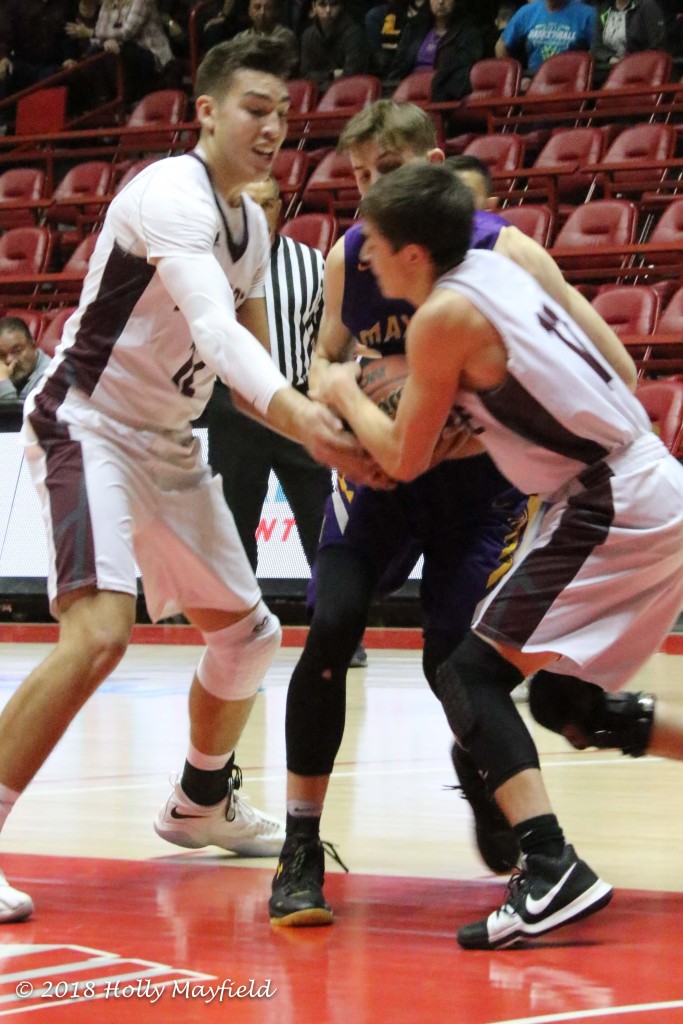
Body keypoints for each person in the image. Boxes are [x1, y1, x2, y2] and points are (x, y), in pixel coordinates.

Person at [0, 35, 374, 924]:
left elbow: (243, 369)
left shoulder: (249, 224)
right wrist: (305, 419)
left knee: (248, 637)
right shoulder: (169, 193)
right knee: (98, 636)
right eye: (254, 107)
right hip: (85, 422)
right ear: (204, 111)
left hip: (166, 442)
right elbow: (216, 336)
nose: (273, 126)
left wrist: (324, 425)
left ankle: (198, 802)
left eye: (282, 113)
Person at [266, 98, 642, 930]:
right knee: (330, 625)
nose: (371, 191)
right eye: (360, 177)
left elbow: (589, 341)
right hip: (376, 478)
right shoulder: (348, 259)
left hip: (478, 490)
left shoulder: (502, 250)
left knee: (455, 665)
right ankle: (299, 847)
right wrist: (332, 409)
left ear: (431, 165)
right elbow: (323, 360)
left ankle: (485, 778)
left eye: (388, 172)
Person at [206, 173, 332, 573]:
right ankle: (241, 631)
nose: (258, 214)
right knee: (235, 530)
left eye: (267, 204)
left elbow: (324, 338)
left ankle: (337, 623)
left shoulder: (313, 262)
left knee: (321, 521)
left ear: (281, 207)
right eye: (248, 204)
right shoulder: (212, 266)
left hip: (295, 400)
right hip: (234, 410)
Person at [386, 0, 483, 102]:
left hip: (442, 94)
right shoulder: (414, 29)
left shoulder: (468, 32)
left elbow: (462, 69)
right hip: (410, 92)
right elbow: (398, 66)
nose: (440, 2)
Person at [495, 0, 596, 76]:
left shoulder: (587, 14)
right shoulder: (527, 12)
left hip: (570, 81)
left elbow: (597, 51)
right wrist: (515, 80)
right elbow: (501, 46)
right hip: (534, 80)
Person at [299, 0, 369, 93]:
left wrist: (319, 80)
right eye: (322, 5)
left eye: (333, 4)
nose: (328, 10)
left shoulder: (354, 34)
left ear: (341, 7)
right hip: (316, 95)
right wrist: (331, 74)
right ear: (314, 7)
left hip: (347, 94)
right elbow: (305, 75)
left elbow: (352, 76)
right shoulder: (308, 35)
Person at [592, 0, 666, 78]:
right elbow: (597, 47)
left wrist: (629, 62)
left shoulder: (647, 6)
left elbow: (657, 45)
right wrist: (611, 58)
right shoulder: (604, 9)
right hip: (610, 70)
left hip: (641, 70)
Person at [232, 0, 299, 75]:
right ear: (250, 12)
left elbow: (286, 67)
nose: (262, 12)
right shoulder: (240, 38)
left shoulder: (285, 36)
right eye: (257, 7)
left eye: (268, 8)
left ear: (276, 11)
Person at [0, 318, 51, 405]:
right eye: (2, 355)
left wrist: (3, 382)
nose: (9, 360)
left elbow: (13, 418)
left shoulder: (49, 378)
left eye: (16, 351)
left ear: (33, 343)